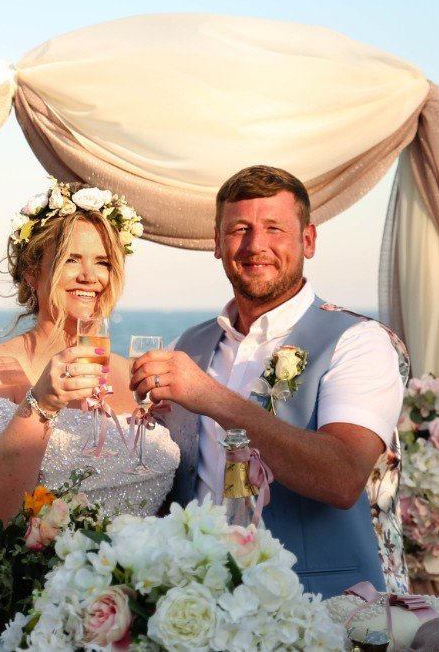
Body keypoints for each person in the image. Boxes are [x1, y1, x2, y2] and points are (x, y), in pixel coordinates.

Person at [130, 165, 407, 597]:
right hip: (193, 603)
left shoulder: (360, 342)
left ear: (308, 240)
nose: (255, 244)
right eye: (239, 229)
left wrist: (211, 397)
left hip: (321, 610)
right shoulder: (192, 344)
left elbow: (342, 477)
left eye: (274, 228)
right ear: (218, 245)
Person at [0, 179, 179, 521]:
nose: (89, 276)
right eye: (71, 260)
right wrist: (42, 404)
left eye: (104, 262)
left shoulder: (133, 375)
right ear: (33, 273)